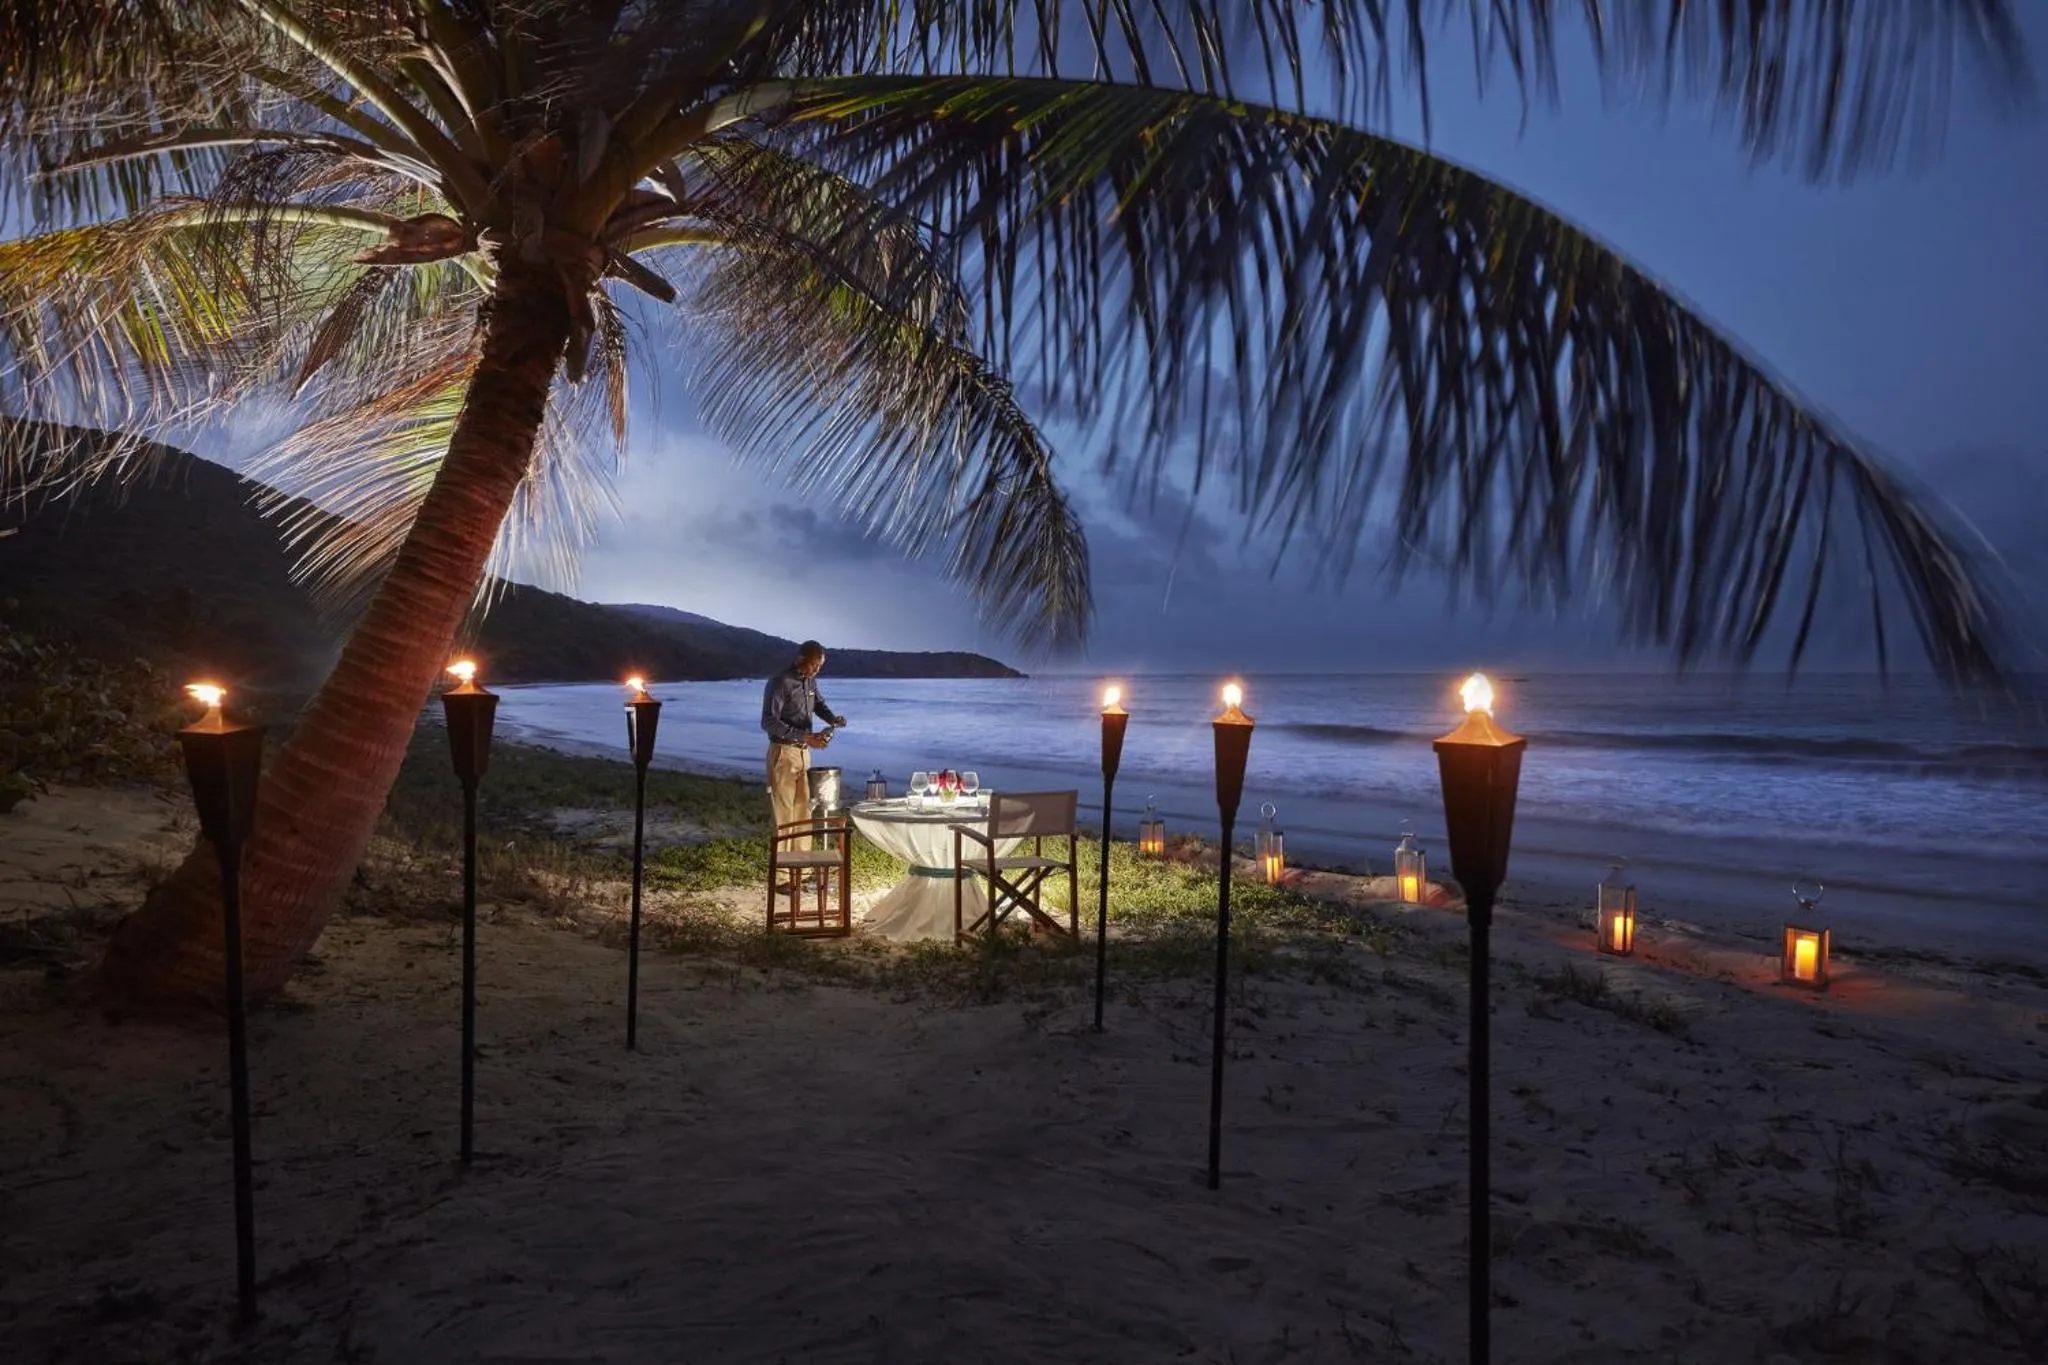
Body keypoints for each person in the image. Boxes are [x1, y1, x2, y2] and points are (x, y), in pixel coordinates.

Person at [761, 640, 848, 837]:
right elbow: (768, 721)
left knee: (803, 814)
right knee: (784, 816)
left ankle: (801, 866)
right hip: (783, 753)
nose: (817, 670)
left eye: (820, 667)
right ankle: (782, 867)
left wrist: (832, 719)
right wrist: (805, 737)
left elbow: (818, 705)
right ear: (801, 659)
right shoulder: (780, 682)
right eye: (814, 665)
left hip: (803, 754)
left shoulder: (810, 681)